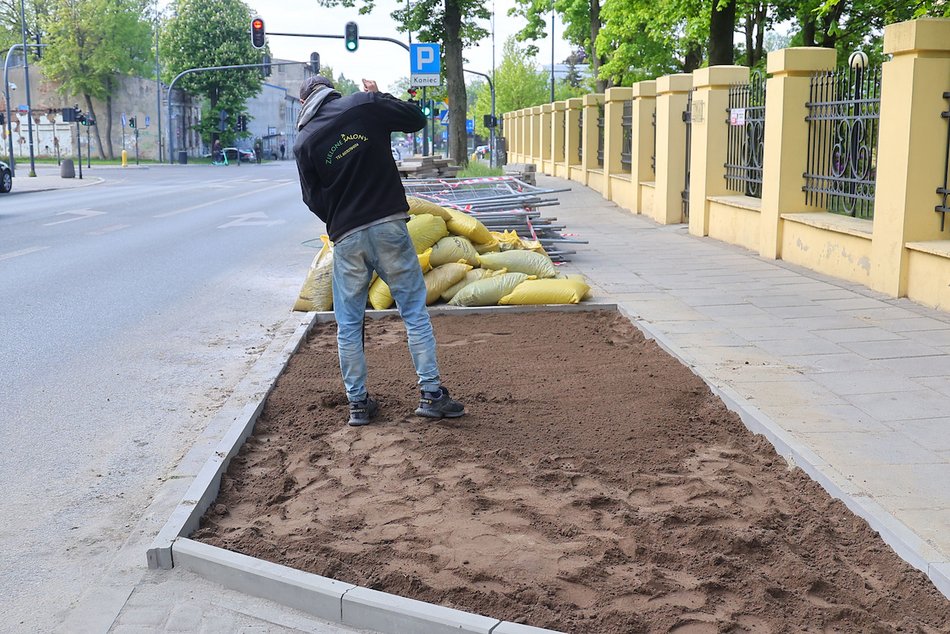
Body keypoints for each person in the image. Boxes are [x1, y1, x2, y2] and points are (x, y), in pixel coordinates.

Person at [293, 75, 465, 427]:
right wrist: (379, 95)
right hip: (389, 225)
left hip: (347, 236)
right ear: (331, 91)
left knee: (349, 322)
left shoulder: (304, 142)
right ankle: (431, 395)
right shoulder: (363, 105)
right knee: (414, 310)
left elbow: (312, 198)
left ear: (304, 104)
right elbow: (415, 119)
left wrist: (341, 218)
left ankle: (358, 404)